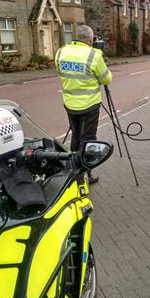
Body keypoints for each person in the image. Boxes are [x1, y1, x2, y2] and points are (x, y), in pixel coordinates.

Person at [55, 25, 112, 184]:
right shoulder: (94, 55)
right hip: (89, 105)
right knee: (87, 140)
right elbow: (106, 79)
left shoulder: (61, 52)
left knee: (76, 134)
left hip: (70, 104)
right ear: (90, 39)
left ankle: (73, 168)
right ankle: (85, 173)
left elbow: (60, 72)